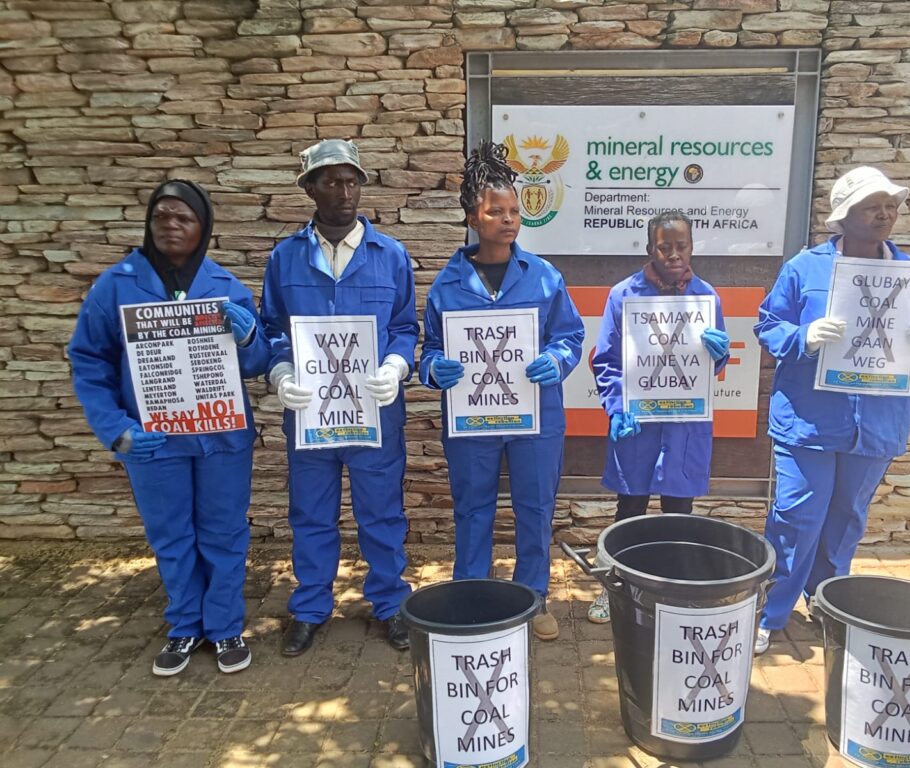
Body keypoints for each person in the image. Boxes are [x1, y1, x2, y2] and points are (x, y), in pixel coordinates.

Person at [69, 180, 269, 676]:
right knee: (171, 535)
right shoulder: (116, 285)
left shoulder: (224, 286)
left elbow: (259, 360)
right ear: (148, 222)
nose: (172, 226)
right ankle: (184, 625)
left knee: (223, 533)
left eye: (184, 218)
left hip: (221, 437)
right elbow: (88, 360)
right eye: (162, 216)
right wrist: (117, 429)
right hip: (153, 441)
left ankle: (223, 627)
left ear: (203, 227)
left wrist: (247, 338)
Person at [754, 166, 910, 654]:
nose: (884, 214)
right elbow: (768, 324)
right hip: (809, 420)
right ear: (845, 216)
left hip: (876, 423)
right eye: (871, 206)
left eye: (890, 205)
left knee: (846, 520)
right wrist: (802, 338)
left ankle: (826, 603)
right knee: (797, 515)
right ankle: (771, 612)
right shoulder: (805, 269)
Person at [419, 140, 585, 641]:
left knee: (535, 507)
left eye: (514, 210)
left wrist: (556, 360)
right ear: (474, 216)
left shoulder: (544, 277)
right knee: (473, 506)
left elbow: (570, 335)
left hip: (536, 417)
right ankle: (472, 597)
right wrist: (434, 370)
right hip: (472, 419)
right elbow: (428, 348)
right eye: (497, 211)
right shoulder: (447, 285)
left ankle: (533, 599)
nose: (509, 219)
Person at [260, 139, 418, 655]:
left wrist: (397, 365)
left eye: (352, 180)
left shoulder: (389, 255)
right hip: (309, 416)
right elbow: (272, 330)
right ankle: (309, 607)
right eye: (331, 180)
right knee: (310, 513)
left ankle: (392, 605)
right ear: (309, 188)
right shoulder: (285, 259)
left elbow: (403, 326)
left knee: (382, 513)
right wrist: (282, 373)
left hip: (374, 414)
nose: (344, 190)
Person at [587, 211, 731, 623]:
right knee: (629, 511)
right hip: (638, 422)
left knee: (677, 513)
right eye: (664, 246)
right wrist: (615, 409)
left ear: (691, 247)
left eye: (680, 246)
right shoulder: (623, 295)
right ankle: (615, 589)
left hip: (685, 425)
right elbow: (607, 361)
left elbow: (713, 369)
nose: (672, 254)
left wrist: (718, 356)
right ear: (650, 247)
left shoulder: (706, 298)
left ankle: (670, 592)